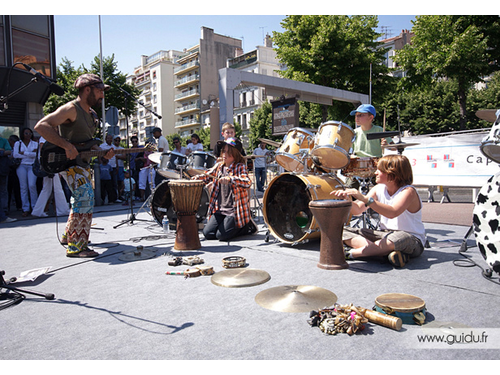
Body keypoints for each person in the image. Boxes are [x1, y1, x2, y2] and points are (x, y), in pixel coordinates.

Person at [34, 73, 114, 258]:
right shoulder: (70, 108)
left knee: (80, 198)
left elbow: (88, 142)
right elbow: (41, 126)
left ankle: (68, 236)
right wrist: (67, 145)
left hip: (82, 163)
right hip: (67, 162)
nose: (103, 95)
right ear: (87, 90)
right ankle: (77, 246)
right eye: (100, 91)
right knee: (84, 197)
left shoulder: (92, 114)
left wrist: (103, 152)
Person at [331, 154, 426, 268]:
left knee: (399, 238)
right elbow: (358, 210)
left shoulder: (408, 191)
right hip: (385, 236)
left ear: (392, 174)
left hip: (411, 239)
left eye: (379, 170)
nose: (375, 173)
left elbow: (392, 212)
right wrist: (348, 200)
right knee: (341, 230)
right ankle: (382, 253)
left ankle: (351, 254)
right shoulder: (378, 188)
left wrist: (365, 198)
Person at [193, 137, 256, 241]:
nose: (224, 154)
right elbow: (207, 175)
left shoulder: (240, 167)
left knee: (221, 236)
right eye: (223, 151)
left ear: (235, 154)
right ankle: (227, 226)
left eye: (228, 152)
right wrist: (197, 178)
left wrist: (231, 179)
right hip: (220, 210)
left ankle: (246, 227)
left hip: (233, 211)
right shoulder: (219, 166)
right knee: (207, 233)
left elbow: (247, 182)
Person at [31, 136, 70, 217]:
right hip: (50, 165)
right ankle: (62, 210)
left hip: (49, 165)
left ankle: (37, 211)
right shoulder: (45, 138)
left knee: (47, 189)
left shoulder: (45, 137)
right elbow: (43, 153)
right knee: (57, 188)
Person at [12, 127, 38, 216]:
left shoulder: (35, 143)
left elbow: (36, 155)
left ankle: (34, 207)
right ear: (22, 134)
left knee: (32, 185)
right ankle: (25, 208)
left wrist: (24, 153)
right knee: (23, 187)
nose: (28, 135)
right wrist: (30, 153)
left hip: (31, 166)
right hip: (21, 166)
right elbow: (15, 155)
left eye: (30, 133)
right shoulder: (18, 143)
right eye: (26, 133)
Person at [0, 136, 17, 223]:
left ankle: (4, 212)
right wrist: (2, 151)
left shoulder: (3, 140)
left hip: (2, 170)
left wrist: (2, 152)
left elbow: (9, 151)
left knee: (3, 191)